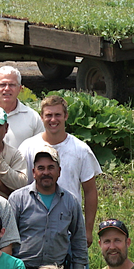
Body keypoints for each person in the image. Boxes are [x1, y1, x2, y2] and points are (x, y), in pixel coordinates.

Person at [17, 95, 102, 248]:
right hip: (34, 227)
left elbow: (90, 191)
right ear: (41, 117)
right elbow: (20, 187)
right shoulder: (28, 147)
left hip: (69, 227)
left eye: (58, 115)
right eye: (48, 115)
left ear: (66, 116)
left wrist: (88, 230)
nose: (53, 120)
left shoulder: (81, 149)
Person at [8, 146, 87, 269]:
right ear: (34, 172)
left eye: (51, 167)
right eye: (41, 168)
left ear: (59, 171)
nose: (46, 172)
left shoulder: (70, 201)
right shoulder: (17, 199)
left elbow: (79, 238)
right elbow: (7, 238)